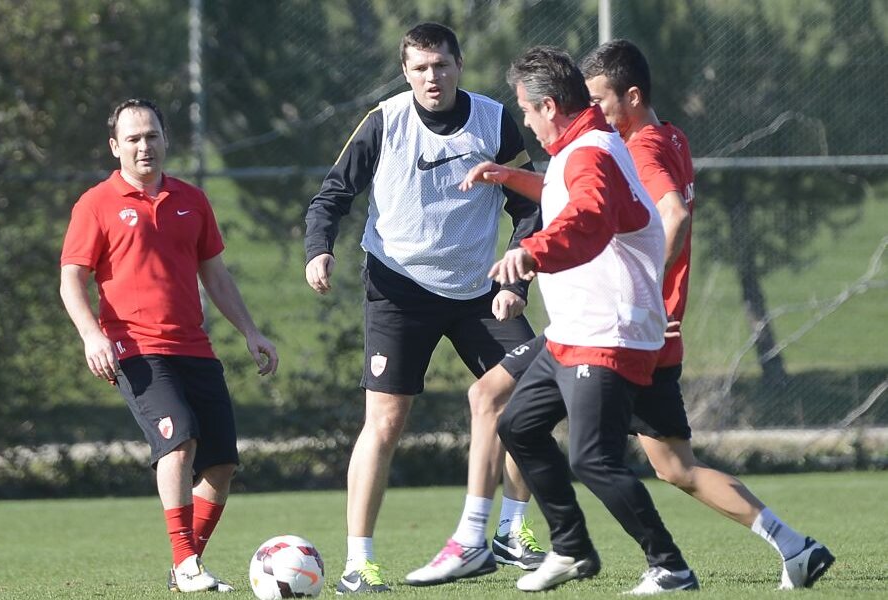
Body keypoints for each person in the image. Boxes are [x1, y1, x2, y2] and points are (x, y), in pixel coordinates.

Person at [461, 38, 835, 591]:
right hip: (637, 327)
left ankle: (530, 540)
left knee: (547, 430)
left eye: (599, 99)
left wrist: (643, 289)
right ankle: (795, 546)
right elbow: (592, 200)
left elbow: (667, 213)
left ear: (631, 97)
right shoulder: (666, 139)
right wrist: (510, 177)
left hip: (619, 326)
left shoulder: (637, 149)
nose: (591, 109)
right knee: (673, 466)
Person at [303, 22, 546, 593]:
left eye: (440, 65)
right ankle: (359, 563)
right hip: (399, 291)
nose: (431, 77)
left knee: (530, 397)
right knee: (385, 422)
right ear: (405, 72)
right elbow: (332, 196)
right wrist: (319, 250)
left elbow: (530, 206)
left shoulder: (493, 121)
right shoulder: (384, 121)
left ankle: (512, 531)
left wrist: (516, 279)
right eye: (420, 68)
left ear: (458, 65)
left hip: (479, 291)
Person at [489, 45, 699, 595]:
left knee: (593, 459)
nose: (526, 122)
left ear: (549, 106)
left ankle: (670, 567)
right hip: (573, 332)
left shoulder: (589, 152)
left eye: (526, 110)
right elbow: (571, 193)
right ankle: (572, 548)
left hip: (608, 332)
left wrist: (531, 251)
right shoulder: (581, 146)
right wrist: (509, 178)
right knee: (518, 425)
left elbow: (588, 217)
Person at [60, 99, 279, 593]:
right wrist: (92, 335)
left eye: (152, 136)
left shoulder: (192, 200)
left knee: (221, 465)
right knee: (178, 441)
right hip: (135, 349)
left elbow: (215, 275)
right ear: (115, 146)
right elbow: (71, 279)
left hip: (195, 348)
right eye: (133, 138)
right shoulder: (95, 203)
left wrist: (251, 331)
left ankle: (186, 565)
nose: (144, 146)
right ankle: (186, 565)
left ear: (166, 140)